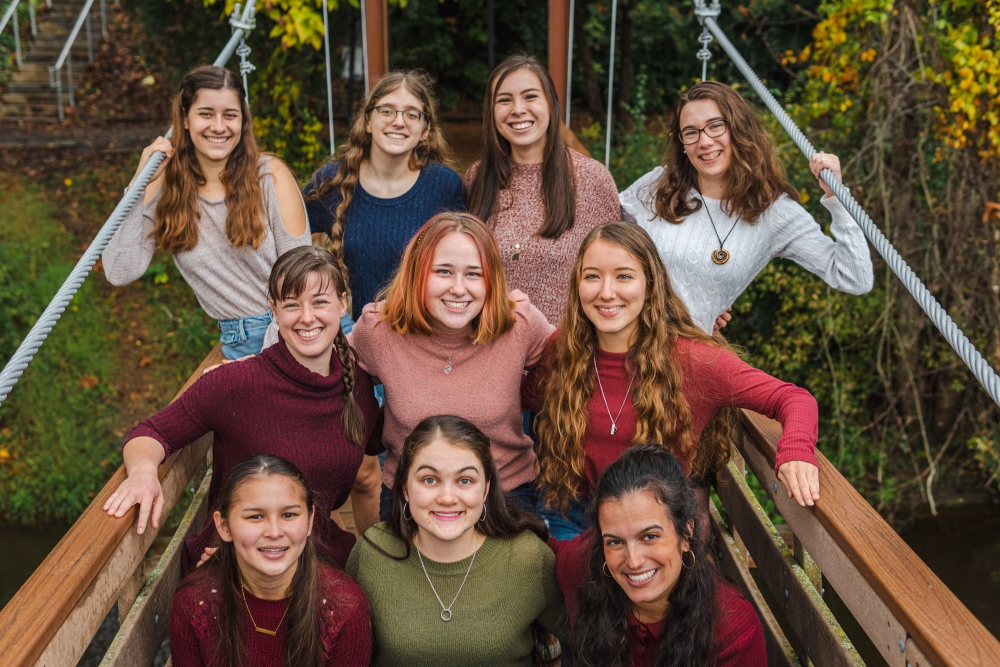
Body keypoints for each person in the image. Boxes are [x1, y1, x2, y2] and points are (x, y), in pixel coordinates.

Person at [529, 221, 820, 540]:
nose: (606, 292)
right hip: (573, 515)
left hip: (655, 519)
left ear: (650, 286)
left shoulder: (693, 360)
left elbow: (793, 398)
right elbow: (517, 400)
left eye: (623, 276)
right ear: (577, 286)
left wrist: (795, 451)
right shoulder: (562, 349)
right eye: (592, 277)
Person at [103, 246, 383, 568]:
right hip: (236, 562)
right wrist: (142, 473)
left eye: (320, 302)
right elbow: (152, 432)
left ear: (342, 304)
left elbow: (385, 441)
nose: (307, 317)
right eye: (292, 305)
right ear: (274, 311)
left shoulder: (357, 386)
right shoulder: (237, 384)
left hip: (316, 557)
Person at [619, 80, 873, 335]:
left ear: (739, 130)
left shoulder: (775, 212)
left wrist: (837, 198)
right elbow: (603, 237)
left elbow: (854, 277)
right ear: (682, 144)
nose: (704, 142)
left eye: (715, 126)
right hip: (619, 338)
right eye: (691, 132)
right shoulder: (657, 185)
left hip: (683, 359)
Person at [348, 212, 555, 517]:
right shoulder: (381, 330)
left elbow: (578, 356)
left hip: (506, 495)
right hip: (410, 499)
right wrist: (255, 364)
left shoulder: (518, 324)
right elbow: (324, 362)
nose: (459, 288)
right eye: (443, 271)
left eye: (474, 274)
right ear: (418, 273)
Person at [102, 65, 310, 360]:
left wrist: (271, 358)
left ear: (243, 121)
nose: (219, 126)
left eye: (230, 115)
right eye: (206, 113)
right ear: (185, 120)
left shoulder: (269, 175)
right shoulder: (165, 188)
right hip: (242, 342)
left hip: (302, 328)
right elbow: (119, 271)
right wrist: (138, 185)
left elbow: (305, 278)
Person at [346, 415, 565, 666]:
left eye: (465, 480)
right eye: (430, 479)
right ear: (405, 488)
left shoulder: (528, 556)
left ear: (485, 490)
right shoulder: (372, 552)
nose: (447, 498)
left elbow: (591, 641)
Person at [550, 445, 766, 667]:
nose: (633, 561)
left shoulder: (733, 631)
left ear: (686, 533)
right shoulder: (584, 565)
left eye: (650, 536)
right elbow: (537, 552)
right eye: (615, 541)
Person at [170, 455, 372, 667]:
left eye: (289, 515)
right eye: (255, 517)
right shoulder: (194, 602)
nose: (274, 532)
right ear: (224, 526)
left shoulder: (344, 608)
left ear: (310, 520)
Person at [465, 54, 620, 325]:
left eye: (530, 97)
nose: (517, 109)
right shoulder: (476, 178)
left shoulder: (591, 179)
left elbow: (617, 272)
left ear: (551, 104)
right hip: (491, 349)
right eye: (504, 100)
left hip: (567, 352)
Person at [304, 70, 465, 331]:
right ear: (368, 121)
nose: (399, 122)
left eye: (412, 114)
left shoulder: (443, 186)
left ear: (425, 130)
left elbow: (463, 269)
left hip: (424, 335)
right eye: (387, 111)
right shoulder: (334, 180)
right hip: (358, 338)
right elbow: (287, 243)